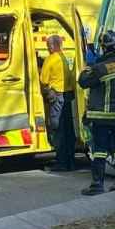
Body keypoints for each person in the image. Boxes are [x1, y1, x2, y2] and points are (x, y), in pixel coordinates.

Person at [78, 30, 115, 195]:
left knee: (99, 150)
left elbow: (83, 82)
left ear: (103, 47)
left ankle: (97, 185)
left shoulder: (100, 68)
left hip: (102, 116)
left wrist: (89, 66)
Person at [41, 35, 76, 172]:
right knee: (69, 130)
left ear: (51, 46)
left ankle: (61, 163)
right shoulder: (69, 58)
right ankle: (71, 162)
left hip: (57, 97)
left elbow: (43, 80)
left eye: (47, 46)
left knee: (58, 129)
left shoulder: (50, 59)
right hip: (69, 96)